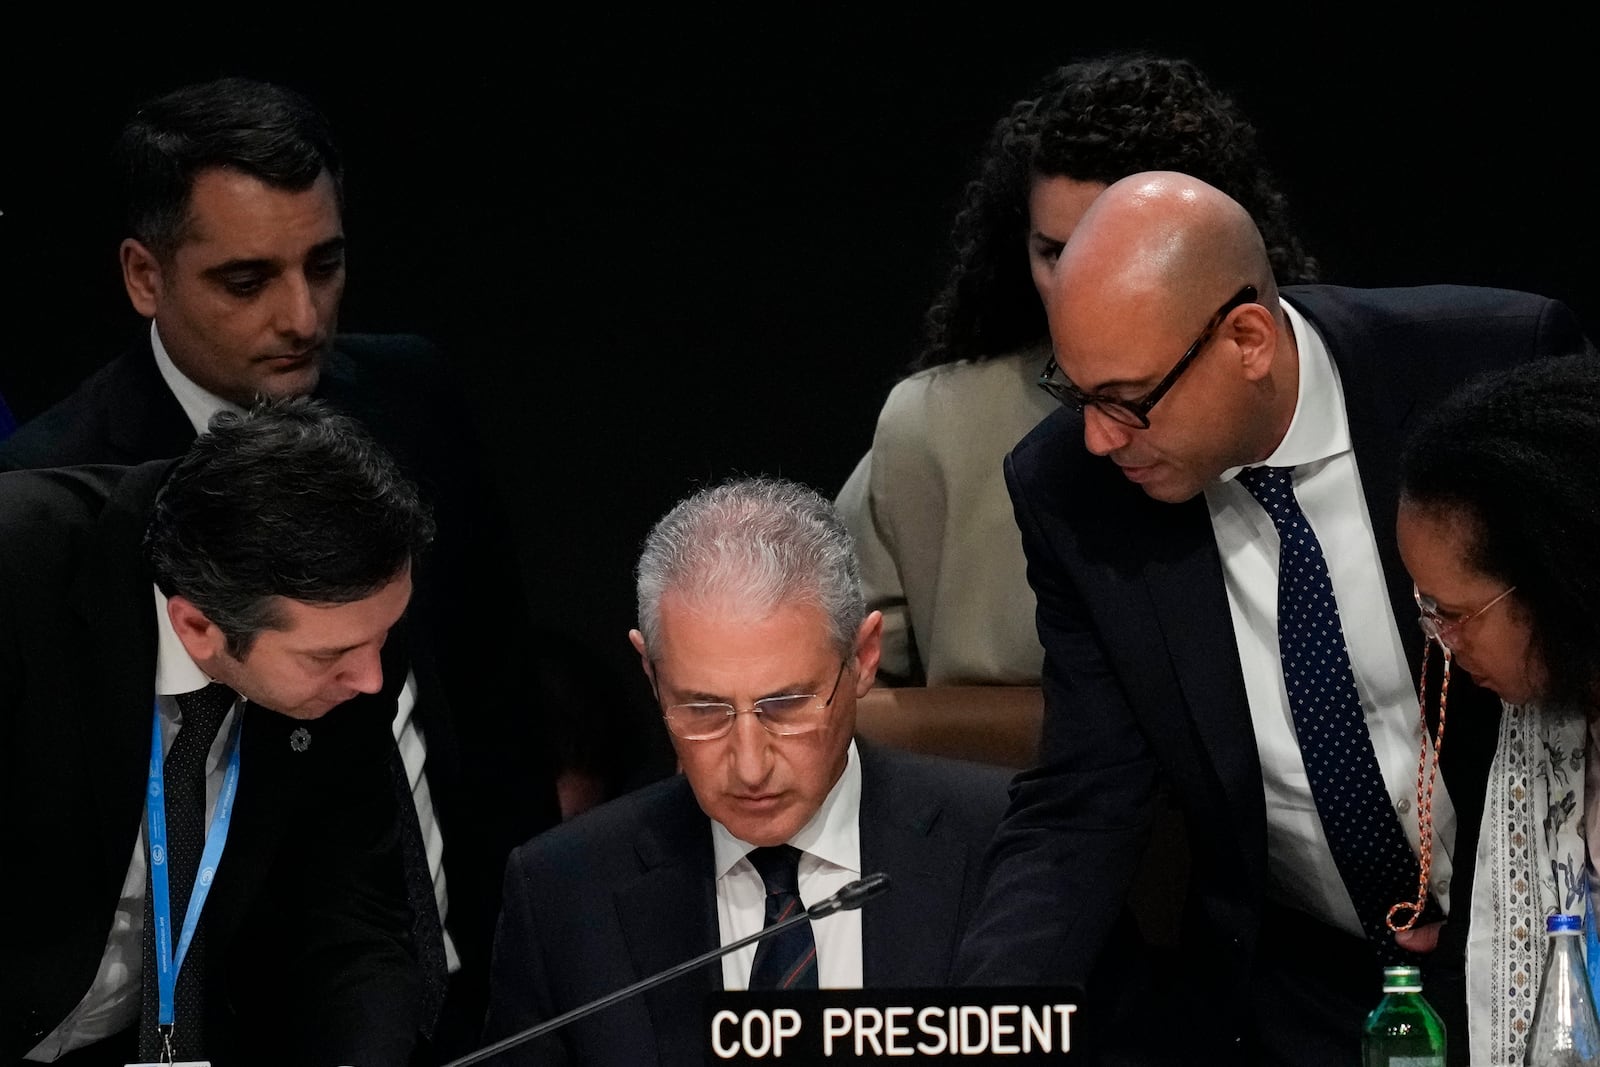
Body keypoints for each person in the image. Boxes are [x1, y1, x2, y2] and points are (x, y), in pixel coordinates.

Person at [953, 170, 1595, 1065]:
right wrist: (979, 1032)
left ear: (1247, 338)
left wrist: (1493, 926)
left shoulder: (1487, 362)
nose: (1099, 437)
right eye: (1076, 391)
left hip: (1534, 953)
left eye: (1128, 400)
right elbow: (1082, 801)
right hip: (1289, 999)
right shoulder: (1073, 491)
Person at [0, 75, 562, 1060]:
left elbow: (488, 707)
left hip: (409, 979)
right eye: (247, 279)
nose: (303, 316)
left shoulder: (409, 404)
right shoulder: (40, 520)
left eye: (326, 264)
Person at [481, 476, 1014, 1066]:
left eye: (785, 706)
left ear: (862, 660)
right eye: (703, 710)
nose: (750, 764)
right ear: (652, 675)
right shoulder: (562, 891)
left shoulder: (1011, 846)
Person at [836, 51, 1319, 695]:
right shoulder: (933, 426)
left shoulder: (1326, 402)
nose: (1078, 284)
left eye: (1118, 253)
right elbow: (815, 690)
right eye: (1053, 253)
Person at [1, 398, 431, 1065]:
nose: (373, 680)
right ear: (197, 625)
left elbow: (350, 916)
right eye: (330, 657)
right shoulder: (19, 577)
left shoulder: (350, 638)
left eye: (382, 637)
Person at [1396, 353, 1600, 1064]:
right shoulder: (1541, 727)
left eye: (1454, 615)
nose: (1443, 645)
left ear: (1555, 581)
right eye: (1427, 613)